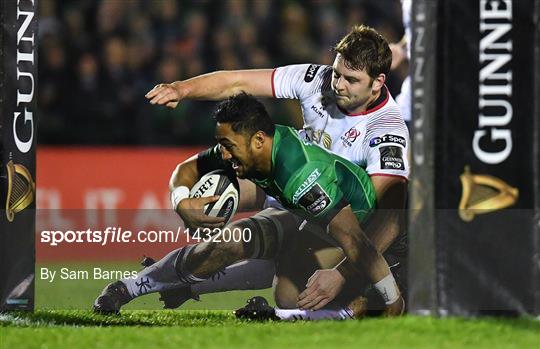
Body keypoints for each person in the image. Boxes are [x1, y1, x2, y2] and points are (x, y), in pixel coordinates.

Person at [143, 24, 410, 310]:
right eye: (336, 73)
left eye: (351, 80)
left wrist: (342, 274)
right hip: (293, 185)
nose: (338, 85)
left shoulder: (387, 132)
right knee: (211, 192)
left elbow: (388, 220)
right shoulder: (315, 80)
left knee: (287, 292)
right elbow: (236, 82)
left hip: (340, 219)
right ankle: (172, 278)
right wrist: (181, 89)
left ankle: (371, 294)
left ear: (378, 82)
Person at [94, 93, 404, 317]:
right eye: (222, 144)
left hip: (357, 232)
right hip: (305, 219)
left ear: (258, 140)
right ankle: (130, 287)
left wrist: (392, 300)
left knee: (288, 295)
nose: (224, 155)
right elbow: (185, 171)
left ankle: (189, 287)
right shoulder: (249, 145)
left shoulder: (302, 176)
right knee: (229, 241)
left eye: (229, 147)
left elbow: (356, 241)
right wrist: (181, 200)